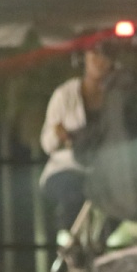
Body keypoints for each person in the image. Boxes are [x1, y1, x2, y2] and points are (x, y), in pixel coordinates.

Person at [39, 39, 113, 247]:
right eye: (94, 54)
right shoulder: (65, 95)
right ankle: (67, 242)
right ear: (83, 58)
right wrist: (60, 135)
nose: (99, 60)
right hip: (66, 169)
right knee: (75, 191)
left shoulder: (118, 94)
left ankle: (99, 246)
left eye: (105, 55)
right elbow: (46, 142)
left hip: (104, 172)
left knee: (124, 198)